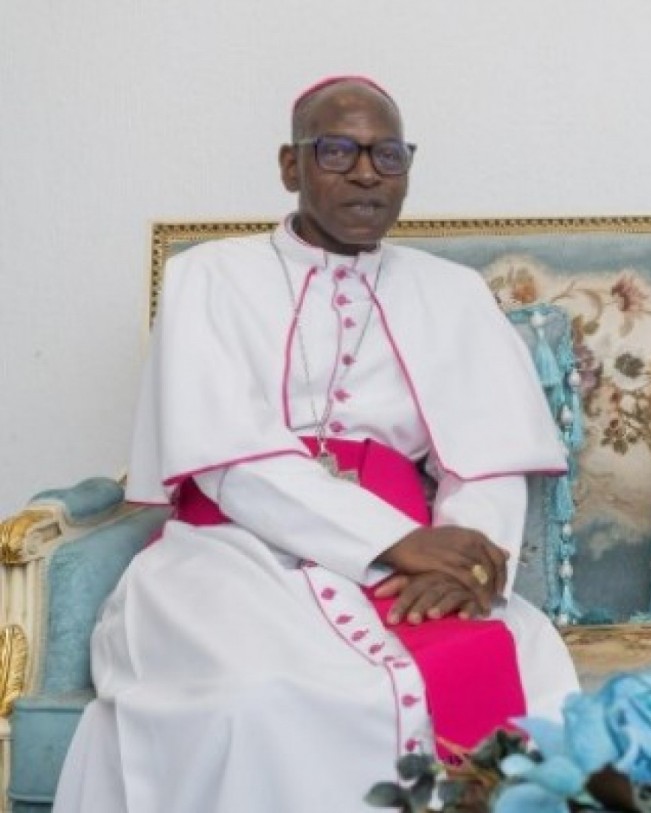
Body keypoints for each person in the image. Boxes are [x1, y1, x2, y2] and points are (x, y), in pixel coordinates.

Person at [54, 76, 579, 812]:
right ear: (290, 165)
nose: (367, 172)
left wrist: (465, 558)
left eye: (388, 155)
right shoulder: (207, 277)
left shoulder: (453, 292)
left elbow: (489, 459)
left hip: (415, 559)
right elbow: (233, 462)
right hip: (232, 551)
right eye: (339, 150)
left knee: (528, 672)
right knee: (253, 699)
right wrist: (400, 541)